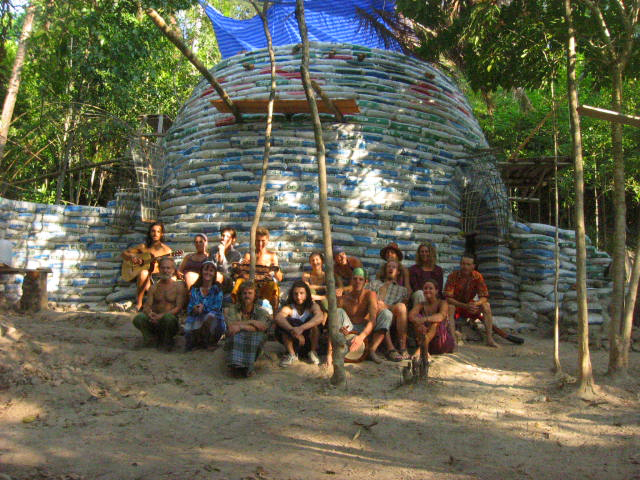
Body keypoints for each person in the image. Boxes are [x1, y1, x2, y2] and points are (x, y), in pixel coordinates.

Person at [336, 268, 394, 363]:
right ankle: (343, 351)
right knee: (338, 311)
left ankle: (372, 350)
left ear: (365, 282)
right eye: (355, 279)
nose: (357, 282)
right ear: (351, 280)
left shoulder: (370, 294)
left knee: (386, 314)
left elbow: (372, 319)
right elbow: (338, 321)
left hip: (365, 330)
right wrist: (341, 329)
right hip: (350, 331)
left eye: (360, 279)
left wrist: (361, 336)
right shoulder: (344, 298)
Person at [132, 257, 187, 350]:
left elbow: (178, 308)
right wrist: (150, 314)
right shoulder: (154, 287)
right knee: (138, 318)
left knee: (168, 318)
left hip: (169, 323)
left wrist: (161, 316)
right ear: (159, 269)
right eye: (163, 268)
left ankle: (167, 340)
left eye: (168, 268)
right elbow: (147, 305)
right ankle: (150, 338)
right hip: (154, 321)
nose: (165, 270)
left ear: (173, 270)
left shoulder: (178, 286)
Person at [444, 254, 498, 347]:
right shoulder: (453, 276)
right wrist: (465, 306)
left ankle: (489, 339)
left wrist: (476, 304)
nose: (465, 266)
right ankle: (452, 340)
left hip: (470, 305)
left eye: (468, 264)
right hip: (457, 305)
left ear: (473, 266)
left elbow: (484, 296)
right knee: (450, 307)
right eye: (463, 264)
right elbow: (448, 298)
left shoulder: (477, 276)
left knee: (486, 306)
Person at [408, 279, 455, 379]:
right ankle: (424, 349)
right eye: (425, 288)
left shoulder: (442, 303)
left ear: (437, 291)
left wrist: (424, 319)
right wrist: (419, 323)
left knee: (435, 323)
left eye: (431, 288)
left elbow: (441, 316)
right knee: (418, 322)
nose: (427, 290)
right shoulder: (421, 304)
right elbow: (411, 316)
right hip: (425, 337)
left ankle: (421, 349)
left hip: (441, 341)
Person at [223, 281, 272, 377]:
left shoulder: (261, 311)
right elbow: (231, 326)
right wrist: (253, 323)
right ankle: (236, 366)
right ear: (240, 295)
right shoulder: (232, 309)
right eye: (244, 293)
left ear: (255, 295)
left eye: (250, 293)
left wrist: (241, 326)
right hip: (237, 337)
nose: (247, 296)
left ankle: (248, 368)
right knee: (236, 335)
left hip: (254, 338)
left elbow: (262, 327)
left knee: (255, 337)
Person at [121, 222, 174, 311]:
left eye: (158, 232)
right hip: (144, 277)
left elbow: (169, 268)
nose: (155, 234)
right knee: (144, 272)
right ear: (149, 233)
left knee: (145, 272)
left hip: (157, 279)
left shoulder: (167, 250)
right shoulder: (143, 247)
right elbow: (124, 254)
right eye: (153, 231)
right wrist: (132, 257)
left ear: (162, 234)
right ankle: (139, 304)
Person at [233, 226, 283, 312]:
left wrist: (275, 269)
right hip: (250, 285)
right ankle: (236, 309)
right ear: (254, 241)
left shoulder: (272, 256)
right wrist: (240, 268)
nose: (260, 244)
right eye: (257, 241)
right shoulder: (249, 255)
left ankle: (275, 314)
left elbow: (280, 278)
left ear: (267, 240)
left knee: (274, 286)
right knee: (239, 282)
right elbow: (242, 273)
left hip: (264, 285)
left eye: (263, 241)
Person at [275, 280, 324, 366]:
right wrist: (293, 330)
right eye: (296, 294)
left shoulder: (313, 306)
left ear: (307, 294)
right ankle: (292, 354)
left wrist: (301, 328)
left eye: (301, 293)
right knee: (282, 325)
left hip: (309, 339)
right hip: (295, 339)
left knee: (315, 324)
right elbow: (279, 317)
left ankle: (313, 352)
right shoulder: (289, 307)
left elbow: (319, 317)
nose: (298, 297)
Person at [369, 260, 410, 361]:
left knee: (400, 307)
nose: (391, 268)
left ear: (398, 272)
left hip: (392, 315)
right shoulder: (374, 283)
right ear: (385, 270)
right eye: (389, 267)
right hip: (374, 312)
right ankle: (390, 349)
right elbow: (366, 299)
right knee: (385, 313)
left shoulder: (402, 290)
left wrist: (386, 306)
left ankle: (403, 347)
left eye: (394, 267)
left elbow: (402, 308)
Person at [184, 260, 224, 351]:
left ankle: (209, 342)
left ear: (214, 274)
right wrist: (194, 309)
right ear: (201, 271)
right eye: (206, 270)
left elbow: (217, 306)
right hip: (197, 316)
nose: (208, 273)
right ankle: (197, 342)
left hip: (213, 317)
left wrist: (204, 308)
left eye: (211, 271)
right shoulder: (195, 289)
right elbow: (190, 306)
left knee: (210, 317)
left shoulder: (217, 289)